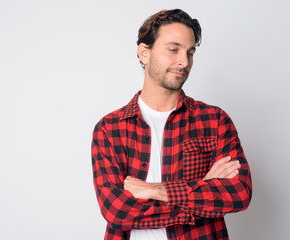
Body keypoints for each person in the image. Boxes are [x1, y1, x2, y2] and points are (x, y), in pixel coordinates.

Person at [91, 9, 252, 240]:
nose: (184, 61)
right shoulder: (110, 128)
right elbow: (117, 212)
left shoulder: (215, 120)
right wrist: (200, 188)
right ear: (144, 53)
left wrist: (156, 190)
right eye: (173, 49)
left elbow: (239, 193)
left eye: (190, 52)